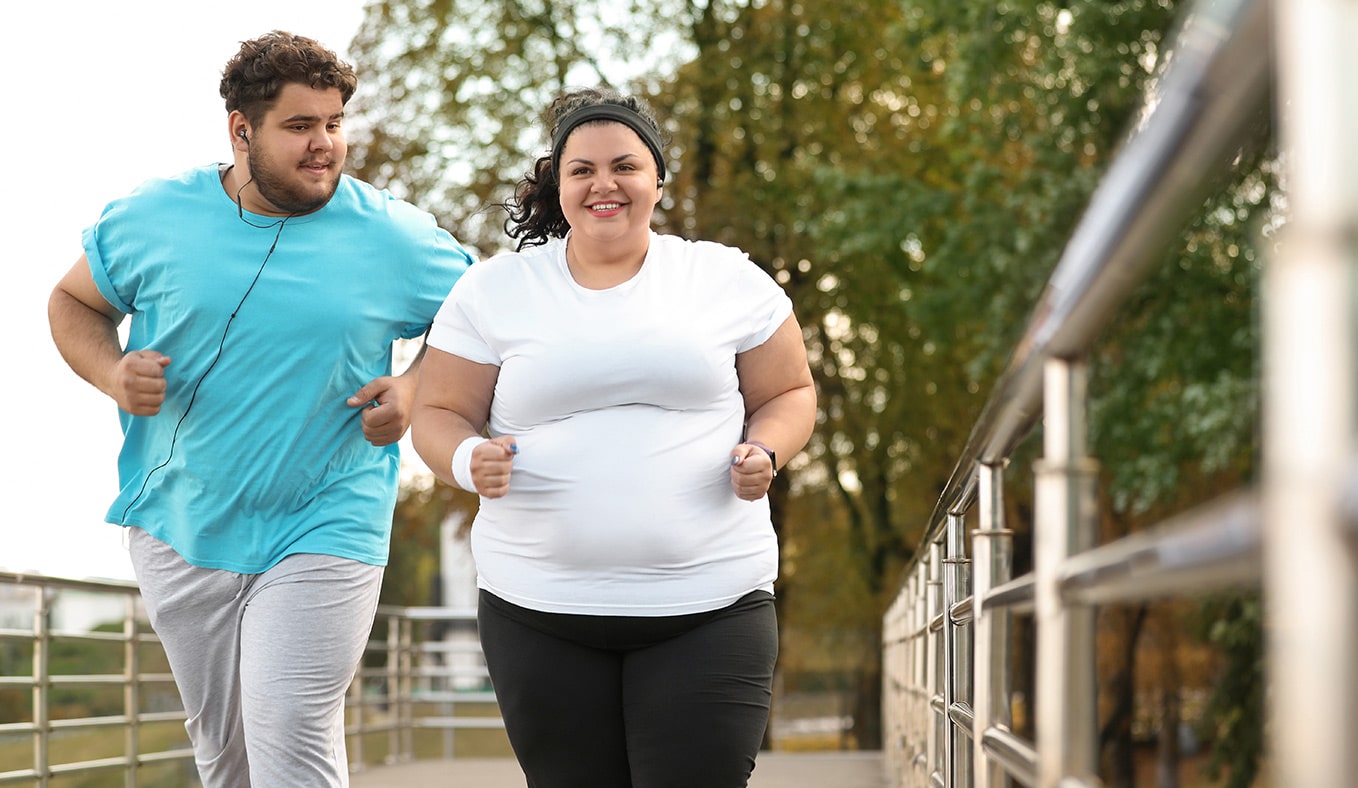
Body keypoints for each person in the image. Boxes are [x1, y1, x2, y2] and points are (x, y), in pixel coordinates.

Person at [46, 31, 473, 787]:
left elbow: (479, 319)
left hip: (327, 518)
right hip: (182, 522)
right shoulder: (155, 216)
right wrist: (114, 374)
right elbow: (74, 301)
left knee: (290, 732)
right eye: (300, 126)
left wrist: (414, 387)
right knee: (226, 756)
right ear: (241, 131)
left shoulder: (391, 237)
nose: (325, 145)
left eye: (335, 122)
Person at [410, 87, 817, 787]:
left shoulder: (724, 278)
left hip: (711, 605)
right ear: (558, 185)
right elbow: (437, 413)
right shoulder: (493, 291)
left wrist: (767, 449)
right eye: (582, 169)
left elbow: (788, 392)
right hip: (537, 610)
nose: (605, 184)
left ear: (658, 177)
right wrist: (469, 458)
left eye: (625, 166)